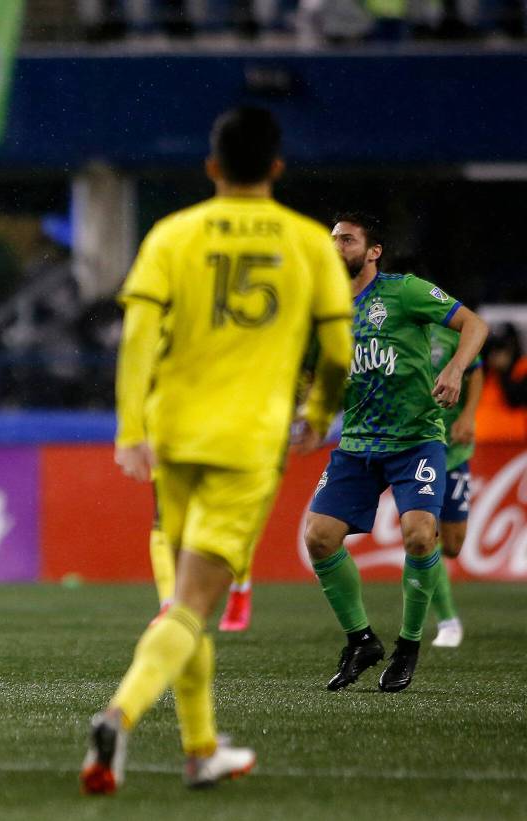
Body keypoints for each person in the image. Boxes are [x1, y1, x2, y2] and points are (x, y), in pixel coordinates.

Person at [80, 107, 354, 795]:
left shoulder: (174, 233)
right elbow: (337, 350)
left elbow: (137, 338)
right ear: (277, 168)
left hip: (175, 433)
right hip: (246, 441)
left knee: (182, 598)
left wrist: (130, 429)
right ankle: (119, 713)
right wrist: (321, 413)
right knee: (193, 604)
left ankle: (201, 748)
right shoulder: (307, 242)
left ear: (211, 167)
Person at [301, 213, 488, 693]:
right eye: (332, 240)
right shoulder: (324, 308)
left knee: (421, 536)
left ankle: (408, 646)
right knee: (319, 537)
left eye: (347, 240)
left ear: (373, 251)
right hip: (357, 444)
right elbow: (314, 374)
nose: (336, 247)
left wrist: (455, 369)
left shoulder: (403, 291)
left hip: (414, 441)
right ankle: (361, 640)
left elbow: (474, 324)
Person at [428, 323, 483, 648]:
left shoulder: (449, 331)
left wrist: (468, 415)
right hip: (415, 447)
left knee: (452, 545)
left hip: (452, 449)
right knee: (422, 535)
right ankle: (447, 620)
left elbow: (475, 371)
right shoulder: (397, 326)